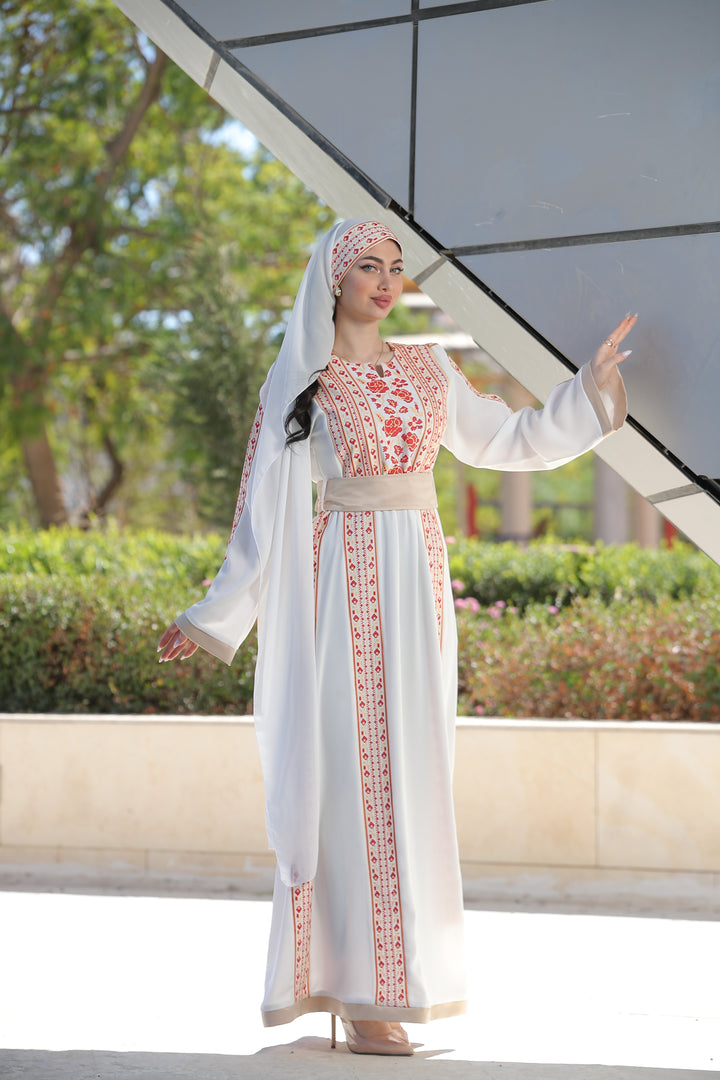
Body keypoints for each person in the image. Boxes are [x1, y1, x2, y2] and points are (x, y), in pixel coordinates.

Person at [157, 219, 633, 1056]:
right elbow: (261, 511)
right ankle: (355, 990)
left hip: (417, 585)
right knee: (348, 776)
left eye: (395, 268)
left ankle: (399, 978)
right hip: (340, 586)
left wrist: (586, 393)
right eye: (368, 267)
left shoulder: (427, 368)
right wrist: (213, 615)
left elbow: (504, 439)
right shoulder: (302, 380)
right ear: (334, 280)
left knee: (411, 777)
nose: (385, 281)